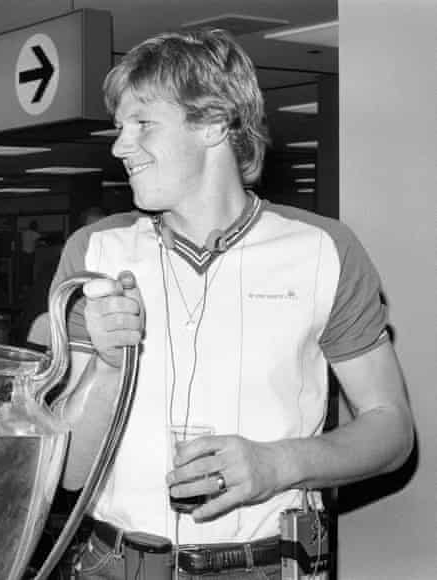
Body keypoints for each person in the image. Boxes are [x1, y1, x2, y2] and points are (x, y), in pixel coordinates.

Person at [49, 30, 414, 579]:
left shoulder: (323, 251)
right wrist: (105, 366)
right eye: (119, 127)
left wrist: (277, 464)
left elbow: (391, 429)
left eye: (143, 123)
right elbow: (69, 474)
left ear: (216, 123)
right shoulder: (96, 253)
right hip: (112, 563)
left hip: (266, 565)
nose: (120, 145)